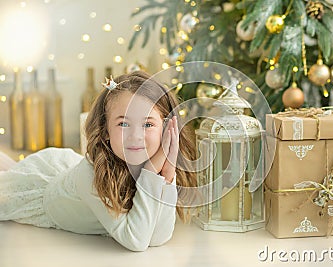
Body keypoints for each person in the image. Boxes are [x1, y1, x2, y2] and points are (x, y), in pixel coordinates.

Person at [0, 71, 197, 251]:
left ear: (165, 129)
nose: (136, 136)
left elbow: (157, 236)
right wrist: (152, 170)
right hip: (49, 195)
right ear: (105, 130)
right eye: (124, 123)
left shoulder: (152, 168)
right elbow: (136, 241)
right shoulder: (93, 174)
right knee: (11, 181)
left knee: (14, 170)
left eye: (147, 124)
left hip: (66, 175)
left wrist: (167, 174)